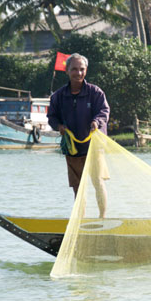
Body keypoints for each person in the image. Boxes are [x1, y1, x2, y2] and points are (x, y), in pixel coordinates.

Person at [47, 53, 110, 217]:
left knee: (98, 182)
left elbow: (104, 111)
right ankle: (79, 220)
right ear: (67, 70)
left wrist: (97, 122)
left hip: (94, 147)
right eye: (74, 69)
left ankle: (102, 217)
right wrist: (58, 126)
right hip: (72, 148)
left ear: (86, 71)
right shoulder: (58, 96)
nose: (78, 73)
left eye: (81, 69)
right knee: (78, 187)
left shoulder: (95, 92)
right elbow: (52, 117)